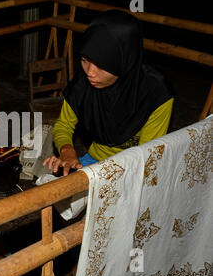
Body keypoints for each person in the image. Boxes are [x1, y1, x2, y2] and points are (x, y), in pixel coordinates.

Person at [44, 10, 174, 175]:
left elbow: (147, 157)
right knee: (52, 192)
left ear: (124, 60)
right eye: (85, 60)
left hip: (134, 168)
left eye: (101, 64)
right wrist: (67, 150)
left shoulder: (155, 94)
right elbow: (64, 125)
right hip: (94, 160)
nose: (90, 72)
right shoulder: (82, 84)